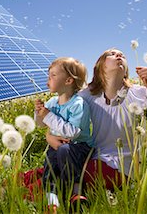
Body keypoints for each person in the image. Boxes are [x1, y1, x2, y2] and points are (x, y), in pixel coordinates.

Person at [45, 48, 147, 190]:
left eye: (122, 55)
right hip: (90, 157)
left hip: (123, 166)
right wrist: (49, 136)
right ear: (100, 67)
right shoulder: (86, 96)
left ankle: (62, 192)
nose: (119, 55)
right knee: (55, 168)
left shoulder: (139, 93)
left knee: (58, 174)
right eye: (112, 54)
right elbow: (61, 119)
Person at [34, 57, 94, 210]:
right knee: (50, 167)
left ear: (68, 81)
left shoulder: (78, 104)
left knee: (64, 151)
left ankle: (76, 193)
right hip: (55, 147)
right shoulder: (51, 103)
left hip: (78, 147)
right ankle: (52, 202)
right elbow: (41, 125)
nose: (48, 79)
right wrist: (39, 113)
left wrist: (48, 115)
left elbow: (73, 133)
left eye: (53, 75)